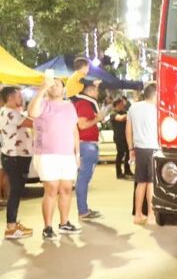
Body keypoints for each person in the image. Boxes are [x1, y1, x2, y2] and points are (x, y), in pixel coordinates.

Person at [28, 78, 81, 240]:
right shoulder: (42, 103)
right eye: (52, 84)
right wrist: (42, 90)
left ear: (64, 89)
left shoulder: (69, 106)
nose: (55, 86)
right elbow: (32, 113)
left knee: (66, 189)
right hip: (46, 154)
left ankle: (64, 223)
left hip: (67, 155)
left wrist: (77, 153)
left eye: (58, 84)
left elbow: (74, 130)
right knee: (51, 189)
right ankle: (48, 227)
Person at [1, 86, 34, 239]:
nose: (22, 98)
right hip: (14, 157)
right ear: (10, 98)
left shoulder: (11, 112)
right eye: (19, 96)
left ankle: (13, 224)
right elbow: (31, 122)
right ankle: (11, 228)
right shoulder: (10, 113)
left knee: (16, 190)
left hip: (15, 156)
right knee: (15, 191)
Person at [73, 79, 108, 220]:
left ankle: (83, 209)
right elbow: (82, 125)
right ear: (89, 91)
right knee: (83, 178)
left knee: (83, 178)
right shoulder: (84, 104)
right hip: (87, 145)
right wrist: (97, 119)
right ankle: (83, 211)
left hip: (86, 145)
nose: (97, 93)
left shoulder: (86, 104)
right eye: (96, 90)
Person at [126, 83, 159, 225]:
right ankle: (151, 215)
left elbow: (128, 130)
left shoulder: (133, 108)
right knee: (151, 183)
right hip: (154, 148)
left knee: (141, 182)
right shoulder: (157, 110)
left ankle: (138, 214)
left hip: (139, 148)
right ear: (156, 94)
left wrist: (130, 149)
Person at [110, 98, 133, 179]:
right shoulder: (113, 113)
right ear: (118, 104)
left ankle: (127, 170)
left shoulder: (124, 112)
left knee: (128, 154)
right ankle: (119, 173)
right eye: (122, 104)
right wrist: (131, 114)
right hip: (118, 137)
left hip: (126, 137)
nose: (123, 105)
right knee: (120, 154)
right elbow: (120, 118)